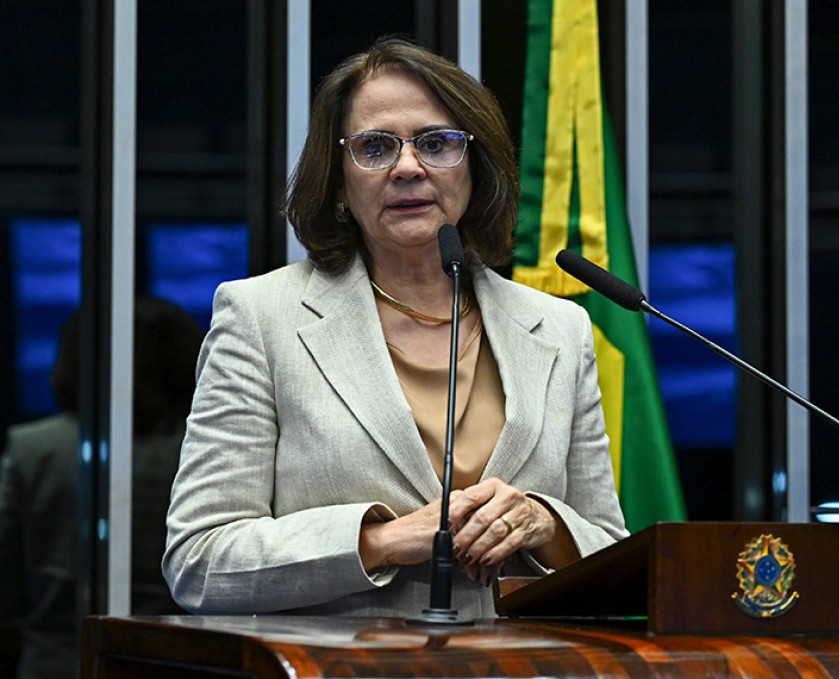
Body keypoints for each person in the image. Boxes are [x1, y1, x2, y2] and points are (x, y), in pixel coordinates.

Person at [162, 36, 628, 618]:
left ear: (475, 166)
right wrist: (382, 542)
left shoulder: (558, 328)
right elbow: (198, 561)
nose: (408, 168)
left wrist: (544, 523)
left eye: (436, 143)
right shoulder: (262, 317)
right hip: (337, 660)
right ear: (337, 180)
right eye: (375, 147)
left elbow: (612, 555)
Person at [0, 297, 204, 679]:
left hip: (59, 662)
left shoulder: (33, 449)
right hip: (182, 661)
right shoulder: (200, 452)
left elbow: (7, 579)